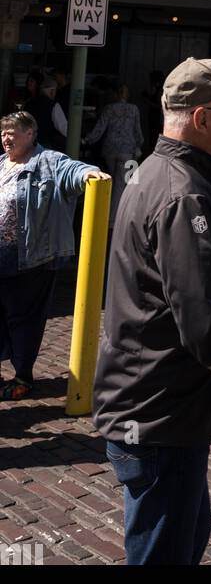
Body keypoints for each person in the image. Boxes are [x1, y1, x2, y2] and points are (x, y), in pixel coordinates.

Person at [93, 57, 211, 566]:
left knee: (183, 540)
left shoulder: (163, 174)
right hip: (158, 414)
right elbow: (209, 326)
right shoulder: (182, 193)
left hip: (160, 410)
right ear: (201, 117)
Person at [0, 111, 101, 400]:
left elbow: (73, 171)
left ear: (31, 134)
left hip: (30, 258)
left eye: (13, 132)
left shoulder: (48, 162)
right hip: (1, 256)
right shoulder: (1, 163)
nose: (6, 138)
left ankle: (23, 376)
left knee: (24, 318)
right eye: (3, 133)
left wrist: (89, 174)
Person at [82, 85, 143, 227]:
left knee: (114, 182)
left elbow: (100, 129)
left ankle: (110, 217)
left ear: (116, 94)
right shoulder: (134, 109)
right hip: (128, 152)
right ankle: (119, 218)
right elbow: (138, 131)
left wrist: (87, 140)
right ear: (127, 95)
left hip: (110, 150)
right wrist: (139, 144)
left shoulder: (109, 108)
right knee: (129, 183)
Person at [24, 77, 67, 152]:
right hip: (46, 145)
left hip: (28, 143)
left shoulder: (28, 103)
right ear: (52, 91)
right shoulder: (53, 105)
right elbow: (63, 127)